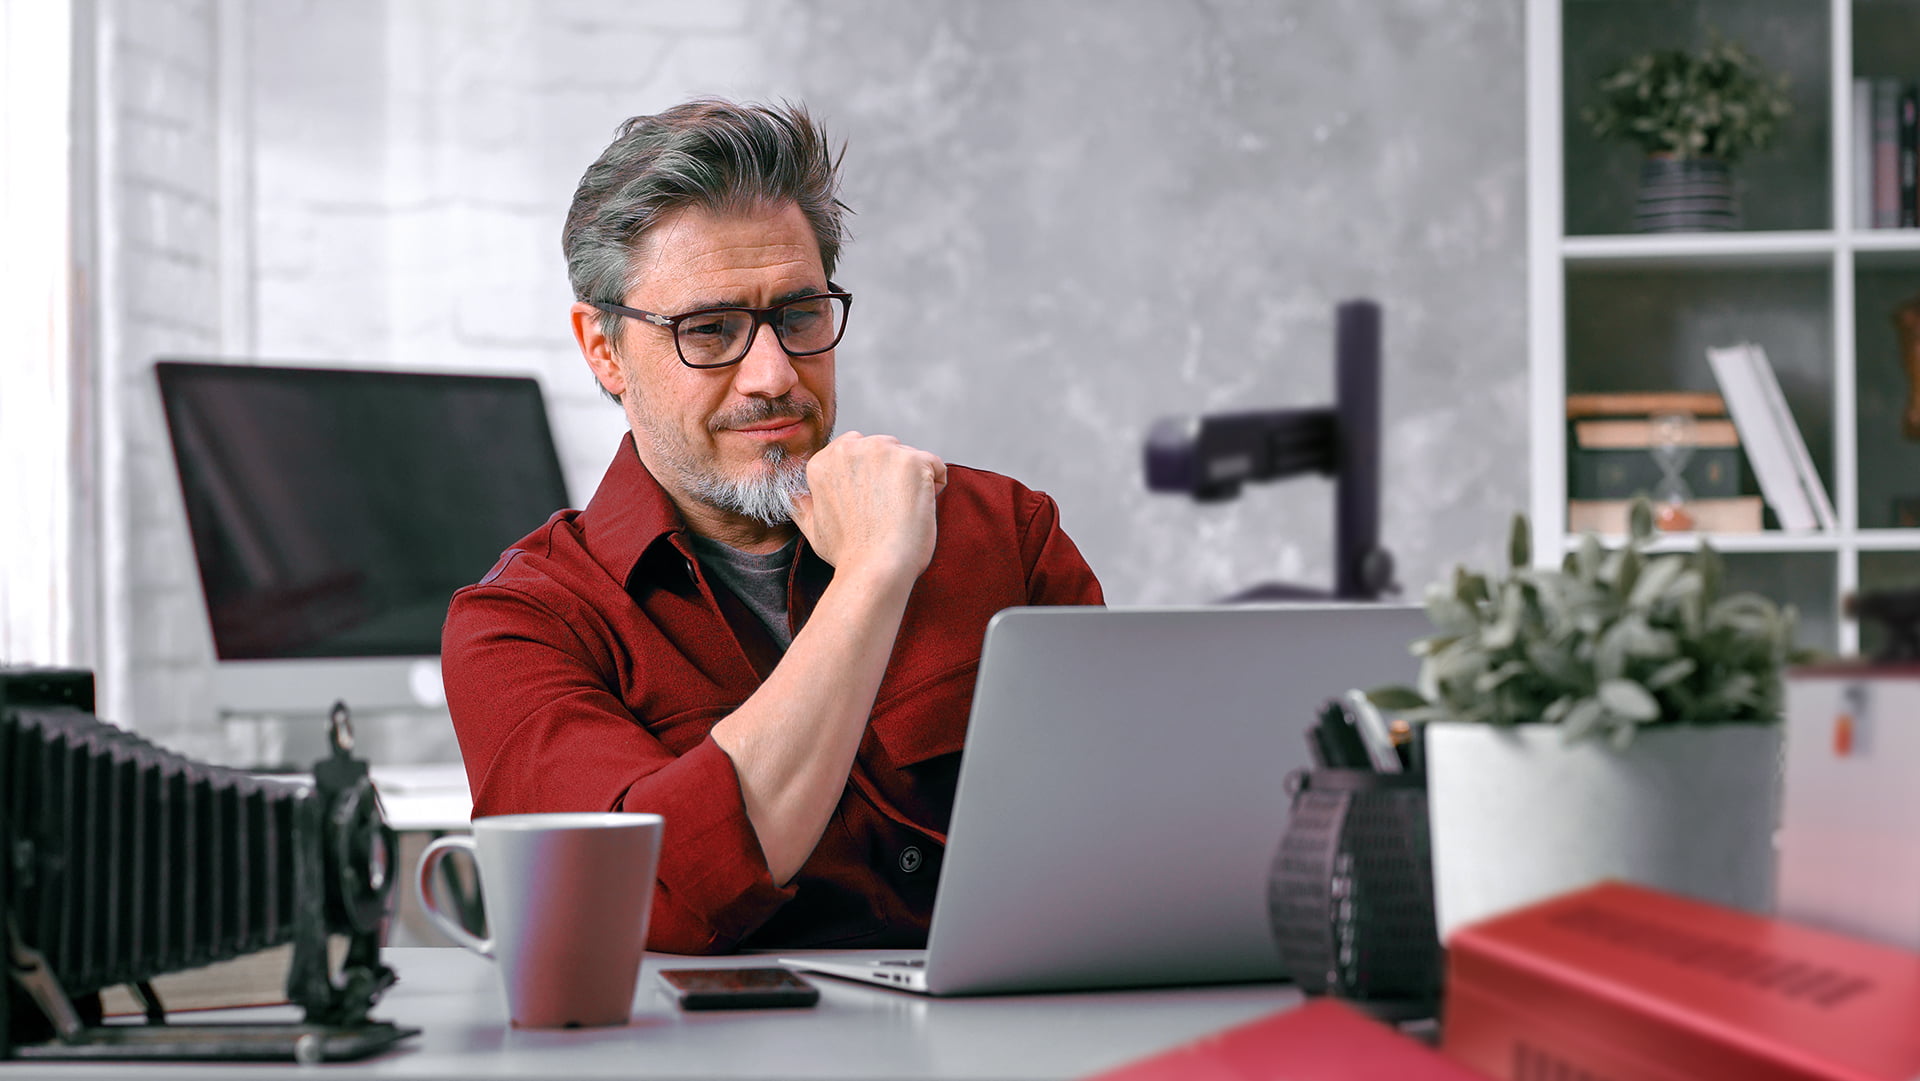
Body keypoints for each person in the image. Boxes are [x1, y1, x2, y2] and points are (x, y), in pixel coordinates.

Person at [442, 99, 1104, 954]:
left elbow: (1125, 833)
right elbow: (653, 902)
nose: (772, 375)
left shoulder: (1005, 532)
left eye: (798, 315)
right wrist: (872, 576)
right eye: (709, 330)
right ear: (603, 349)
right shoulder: (523, 626)